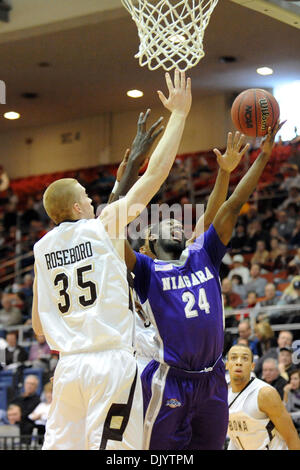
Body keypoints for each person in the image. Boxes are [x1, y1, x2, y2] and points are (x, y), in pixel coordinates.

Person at [31, 70, 193, 450]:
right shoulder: (102, 226)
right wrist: (181, 116)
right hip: (110, 361)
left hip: (68, 367)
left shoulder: (40, 249)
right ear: (76, 206)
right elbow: (155, 176)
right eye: (87, 197)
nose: (92, 201)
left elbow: (39, 326)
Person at [124, 123, 282, 450]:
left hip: (212, 379)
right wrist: (125, 182)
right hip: (169, 379)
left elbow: (229, 206)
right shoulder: (145, 270)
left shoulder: (202, 254)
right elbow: (110, 230)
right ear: (147, 244)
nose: (176, 224)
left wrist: (259, 159)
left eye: (179, 223)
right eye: (166, 222)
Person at [226, 344, 300, 450]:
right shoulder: (223, 394)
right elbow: (236, 437)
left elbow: (291, 436)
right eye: (234, 357)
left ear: (252, 366)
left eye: (245, 358)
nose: (239, 362)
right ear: (227, 365)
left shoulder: (265, 393)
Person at [283, 369, 300, 433]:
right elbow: (286, 410)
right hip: (294, 423)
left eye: (295, 379)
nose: (292, 381)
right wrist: (285, 393)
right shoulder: (290, 392)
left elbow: (288, 414)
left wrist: (290, 415)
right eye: (291, 379)